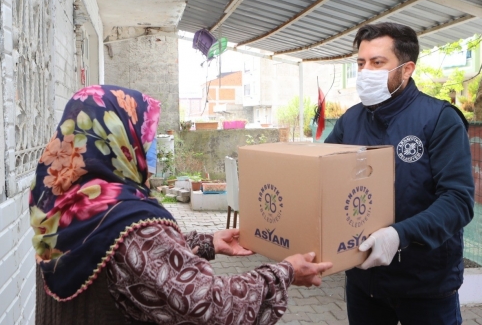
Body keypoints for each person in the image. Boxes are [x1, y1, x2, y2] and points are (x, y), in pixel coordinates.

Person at [30, 85, 332, 324]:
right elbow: (210, 306)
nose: (149, 146)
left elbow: (120, 259)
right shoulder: (127, 218)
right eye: (144, 135)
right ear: (119, 141)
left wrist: (206, 242)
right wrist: (284, 273)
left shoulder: (62, 204)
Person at [324, 23, 474, 325]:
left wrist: (399, 234)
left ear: (406, 70)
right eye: (361, 63)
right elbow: (324, 178)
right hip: (364, 280)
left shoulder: (439, 119)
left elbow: (458, 201)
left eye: (378, 63)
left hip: (426, 284)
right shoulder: (350, 121)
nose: (366, 72)